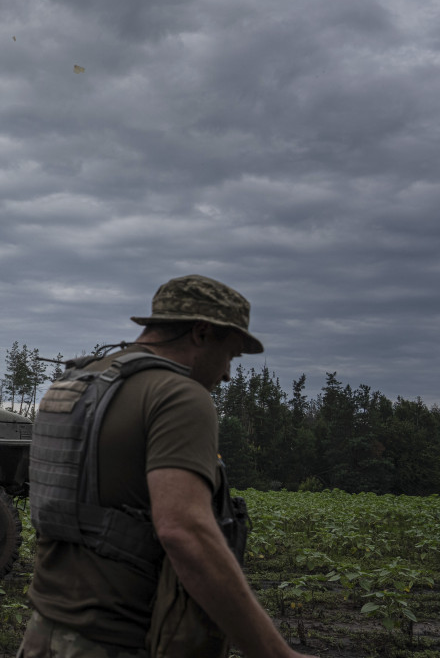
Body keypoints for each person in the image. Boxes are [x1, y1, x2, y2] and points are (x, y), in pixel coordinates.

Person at [17, 274, 313, 658]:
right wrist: (276, 653)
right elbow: (185, 532)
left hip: (43, 634)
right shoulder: (178, 395)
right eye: (231, 355)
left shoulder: (78, 382)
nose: (227, 373)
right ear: (201, 333)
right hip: (120, 642)